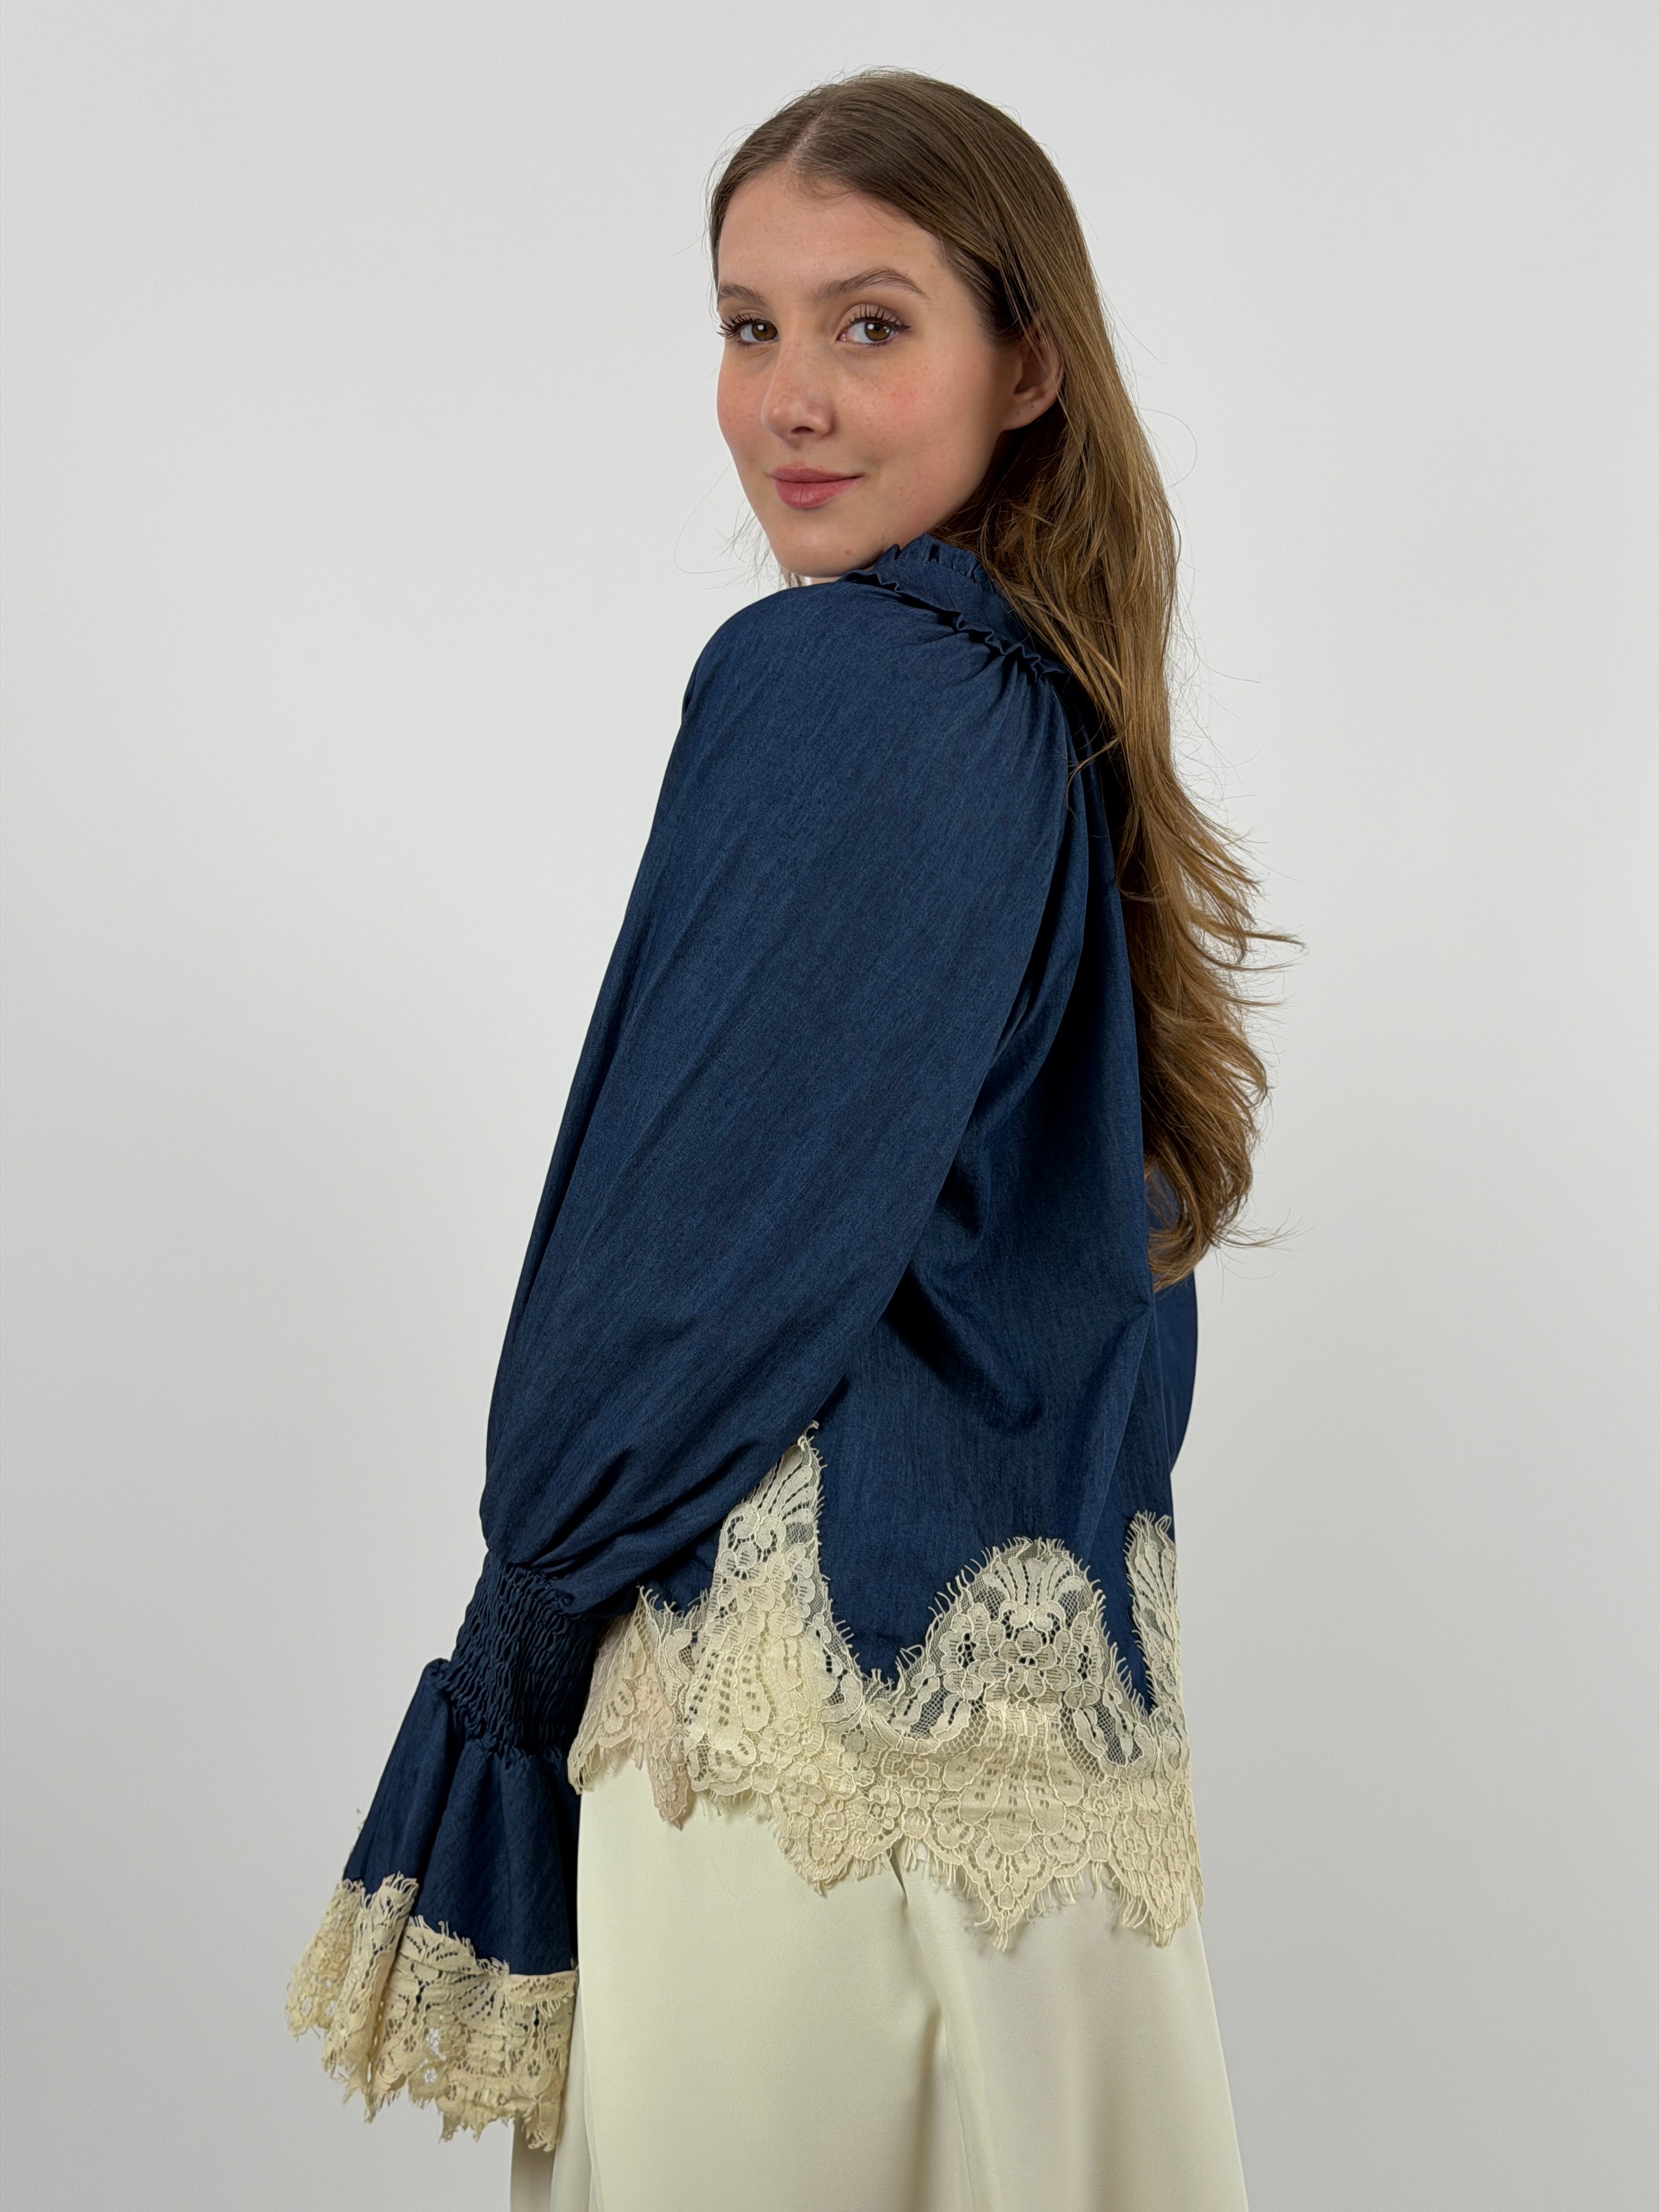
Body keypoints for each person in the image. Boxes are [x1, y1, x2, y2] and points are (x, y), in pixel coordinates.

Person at [289, 69, 1269, 2212]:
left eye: (869, 324)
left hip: (791, 1766)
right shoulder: (1045, 718)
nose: (790, 401)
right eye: (750, 327)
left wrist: (528, 1612)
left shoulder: (838, 681)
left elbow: (686, 1253)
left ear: (1027, 366)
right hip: (1050, 1807)